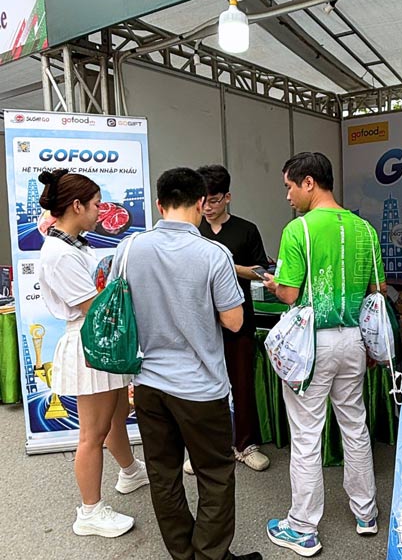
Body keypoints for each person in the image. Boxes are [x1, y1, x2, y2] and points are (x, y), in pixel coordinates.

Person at [109, 167, 261, 560]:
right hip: (200, 387)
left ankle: (183, 553)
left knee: (163, 474)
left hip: (148, 383)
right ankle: (209, 555)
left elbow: (118, 305)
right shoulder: (214, 254)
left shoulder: (129, 248)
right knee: (215, 474)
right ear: (200, 202)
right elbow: (234, 321)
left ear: (160, 205)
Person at [263, 152, 386, 557]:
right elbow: (378, 291)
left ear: (309, 183)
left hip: (311, 344)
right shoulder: (365, 229)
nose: (287, 196)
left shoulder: (298, 229)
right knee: (355, 426)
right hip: (354, 339)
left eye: (289, 186)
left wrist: (274, 284)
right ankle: (366, 513)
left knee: (306, 436)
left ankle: (303, 527)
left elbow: (289, 293)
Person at [38, 169, 148, 539]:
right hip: (90, 341)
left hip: (101, 339)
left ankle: (130, 472)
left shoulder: (74, 245)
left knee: (117, 415)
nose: (102, 211)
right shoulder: (59, 253)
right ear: (76, 205)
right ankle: (90, 511)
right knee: (92, 433)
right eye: (97, 204)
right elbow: (93, 306)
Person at [182, 164, 269, 473]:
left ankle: (245, 445)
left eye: (214, 200)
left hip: (238, 318)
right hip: (200, 321)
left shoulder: (246, 230)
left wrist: (228, 265)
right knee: (202, 386)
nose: (207, 207)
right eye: (202, 200)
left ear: (227, 197)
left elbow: (262, 271)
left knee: (241, 382)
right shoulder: (192, 231)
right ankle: (207, 448)